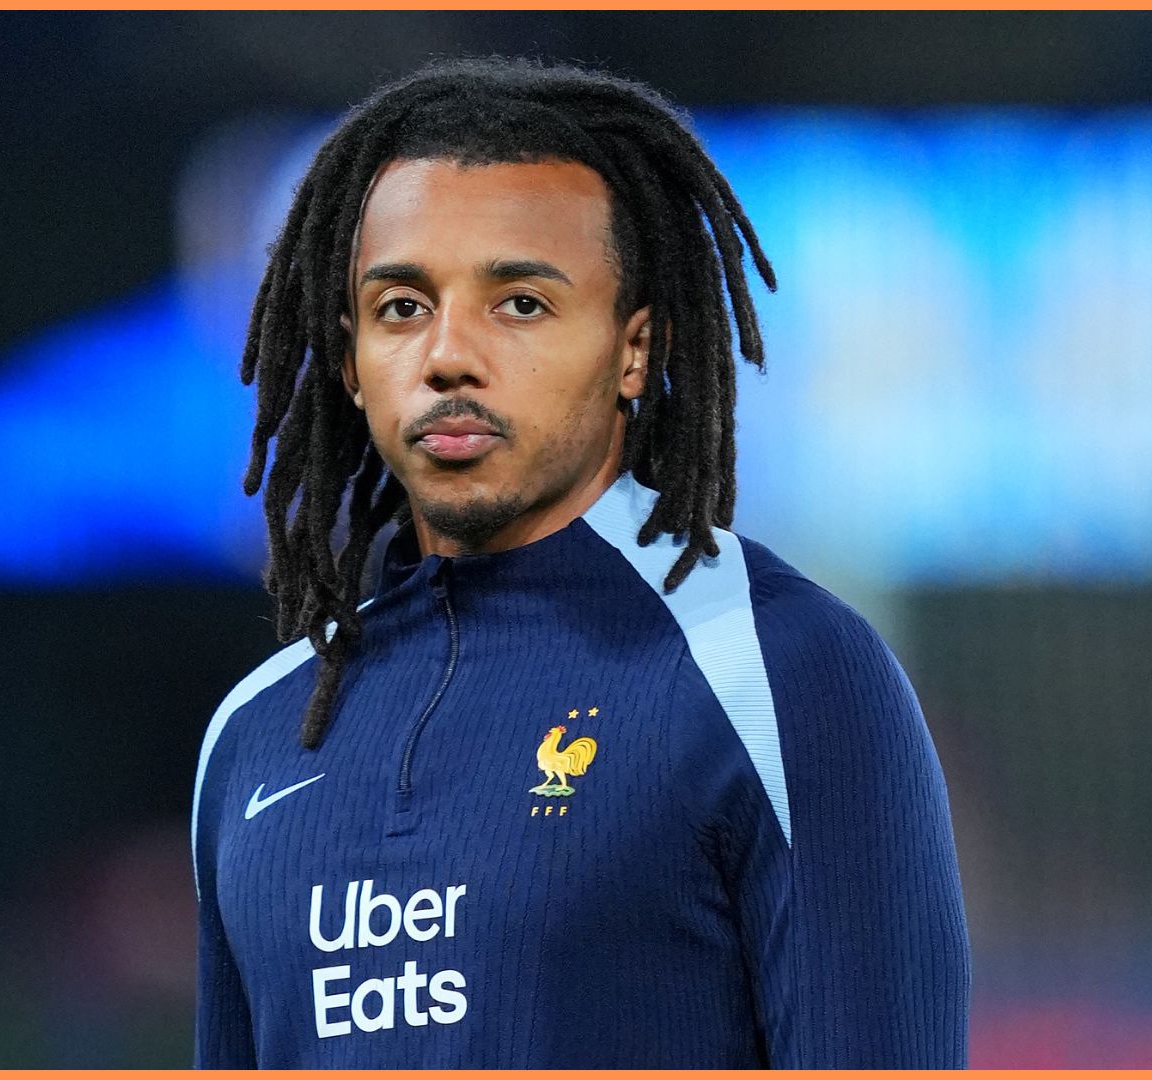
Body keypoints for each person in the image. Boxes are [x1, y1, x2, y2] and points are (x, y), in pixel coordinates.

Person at [191, 56, 970, 1068]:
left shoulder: (775, 669)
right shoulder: (256, 735)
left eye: (519, 303)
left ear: (634, 349)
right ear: (348, 363)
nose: (448, 356)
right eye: (401, 308)